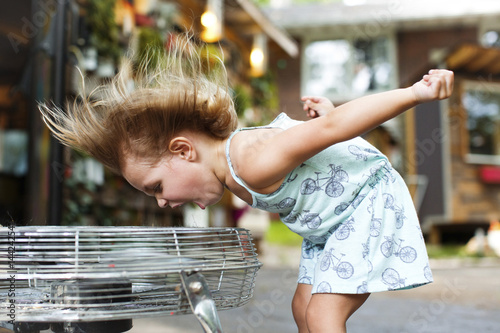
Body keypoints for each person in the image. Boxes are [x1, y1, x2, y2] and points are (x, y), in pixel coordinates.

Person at [39, 35, 454, 333]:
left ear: (183, 151)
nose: (163, 203)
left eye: (156, 187)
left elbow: (338, 128)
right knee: (302, 309)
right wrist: (329, 117)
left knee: (325, 315)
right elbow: (322, 137)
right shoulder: (235, 164)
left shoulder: (250, 161)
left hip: (364, 203)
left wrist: (415, 93)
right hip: (330, 222)